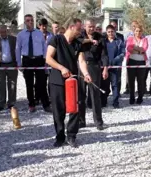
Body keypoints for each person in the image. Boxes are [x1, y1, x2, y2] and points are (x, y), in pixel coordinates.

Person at [46, 18, 92, 148]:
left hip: (72, 81)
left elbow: (81, 61)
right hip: (57, 81)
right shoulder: (56, 39)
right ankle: (60, 136)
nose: (80, 32)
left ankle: (71, 135)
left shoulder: (78, 43)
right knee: (58, 110)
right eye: (78, 29)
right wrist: (61, 68)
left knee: (74, 109)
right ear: (71, 27)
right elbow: (48, 58)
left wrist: (86, 74)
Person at [16, 14, 51, 113]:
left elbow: (44, 47)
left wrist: (45, 60)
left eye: (31, 20)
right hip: (27, 61)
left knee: (42, 83)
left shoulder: (39, 33)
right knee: (29, 84)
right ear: (25, 22)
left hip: (39, 60)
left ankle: (46, 104)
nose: (30, 22)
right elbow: (17, 49)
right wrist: (19, 63)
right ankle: (31, 104)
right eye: (28, 20)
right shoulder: (20, 35)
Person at [81, 19, 109, 130]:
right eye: (89, 26)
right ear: (84, 26)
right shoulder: (80, 36)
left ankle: (98, 121)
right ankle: (81, 121)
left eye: (93, 26)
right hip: (81, 66)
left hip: (94, 66)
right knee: (80, 95)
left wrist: (105, 68)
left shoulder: (100, 37)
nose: (91, 28)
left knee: (95, 95)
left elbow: (104, 54)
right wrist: (89, 41)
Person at [0, 25, 18, 111]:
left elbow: (17, 50)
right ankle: (0, 103)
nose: (3, 34)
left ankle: (11, 103)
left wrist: (18, 63)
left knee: (12, 84)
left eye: (4, 32)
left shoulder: (14, 39)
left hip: (12, 64)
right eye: (1, 32)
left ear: (7, 31)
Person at [101, 25, 125, 108]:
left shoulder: (119, 41)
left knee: (115, 85)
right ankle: (103, 101)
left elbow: (122, 53)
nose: (110, 33)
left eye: (112, 31)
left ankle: (115, 102)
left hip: (115, 67)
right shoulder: (103, 41)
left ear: (115, 32)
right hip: (105, 68)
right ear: (106, 32)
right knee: (105, 85)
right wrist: (105, 64)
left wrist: (114, 61)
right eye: (109, 32)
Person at [126, 24, 148, 105]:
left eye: (139, 31)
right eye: (136, 31)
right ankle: (132, 97)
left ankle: (140, 97)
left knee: (140, 81)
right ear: (134, 32)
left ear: (142, 32)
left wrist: (135, 48)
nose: (138, 32)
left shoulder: (145, 39)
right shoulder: (130, 38)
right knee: (131, 81)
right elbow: (129, 48)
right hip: (131, 61)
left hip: (141, 62)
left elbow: (144, 49)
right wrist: (139, 50)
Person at [36, 18, 53, 105]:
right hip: (40, 59)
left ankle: (50, 97)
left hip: (49, 60)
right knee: (40, 81)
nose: (44, 27)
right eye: (43, 26)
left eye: (46, 25)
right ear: (39, 26)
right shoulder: (36, 35)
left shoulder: (51, 35)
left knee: (50, 80)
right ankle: (37, 97)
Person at [123, 21, 140, 95]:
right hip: (129, 56)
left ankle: (141, 88)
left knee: (139, 73)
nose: (134, 27)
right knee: (129, 74)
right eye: (133, 26)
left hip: (139, 56)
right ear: (131, 27)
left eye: (135, 26)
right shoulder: (127, 35)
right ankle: (128, 88)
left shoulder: (141, 34)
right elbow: (124, 46)